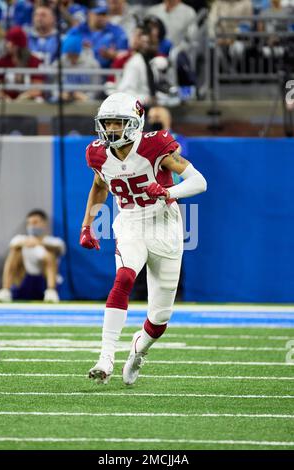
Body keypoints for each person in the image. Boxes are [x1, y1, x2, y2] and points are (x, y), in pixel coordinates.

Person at [80, 92, 207, 385]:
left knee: (159, 320)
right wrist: (87, 225)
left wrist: (167, 192)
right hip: (130, 223)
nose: (111, 129)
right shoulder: (98, 153)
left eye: (118, 123)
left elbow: (199, 181)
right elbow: (100, 185)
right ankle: (105, 356)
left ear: (135, 123)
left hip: (165, 225)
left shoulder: (155, 145)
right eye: (107, 123)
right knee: (123, 278)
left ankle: (137, 353)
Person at [0, 209, 66, 303]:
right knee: (15, 252)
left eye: (35, 222)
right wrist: (26, 243)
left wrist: (40, 242)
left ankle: (51, 292)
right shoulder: (21, 239)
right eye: (29, 223)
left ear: (44, 223)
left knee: (50, 253)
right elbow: (13, 244)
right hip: (23, 281)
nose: (32, 226)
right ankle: (5, 291)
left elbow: (61, 248)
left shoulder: (53, 241)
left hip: (43, 282)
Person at [0, 26, 43, 101]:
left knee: (39, 100)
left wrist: (21, 98)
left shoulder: (34, 61)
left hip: (28, 103)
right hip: (6, 103)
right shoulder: (1, 62)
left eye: (9, 41)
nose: (7, 45)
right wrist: (4, 97)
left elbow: (37, 89)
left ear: (17, 45)